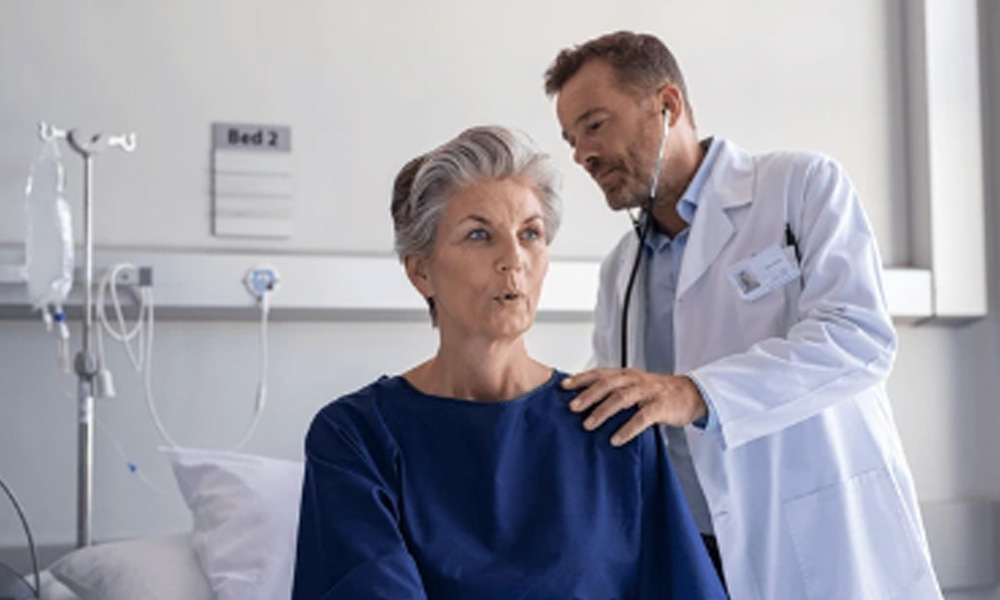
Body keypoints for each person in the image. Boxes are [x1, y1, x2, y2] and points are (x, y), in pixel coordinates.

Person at [544, 31, 943, 600]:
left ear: (668, 104)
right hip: (691, 553)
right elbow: (624, 400)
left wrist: (696, 394)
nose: (582, 153)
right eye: (571, 138)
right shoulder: (621, 268)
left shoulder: (800, 187)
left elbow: (858, 337)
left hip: (817, 539)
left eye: (594, 124)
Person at [290, 125, 727, 599]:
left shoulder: (612, 424)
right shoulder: (358, 437)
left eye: (530, 234)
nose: (513, 259)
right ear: (421, 271)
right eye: (479, 235)